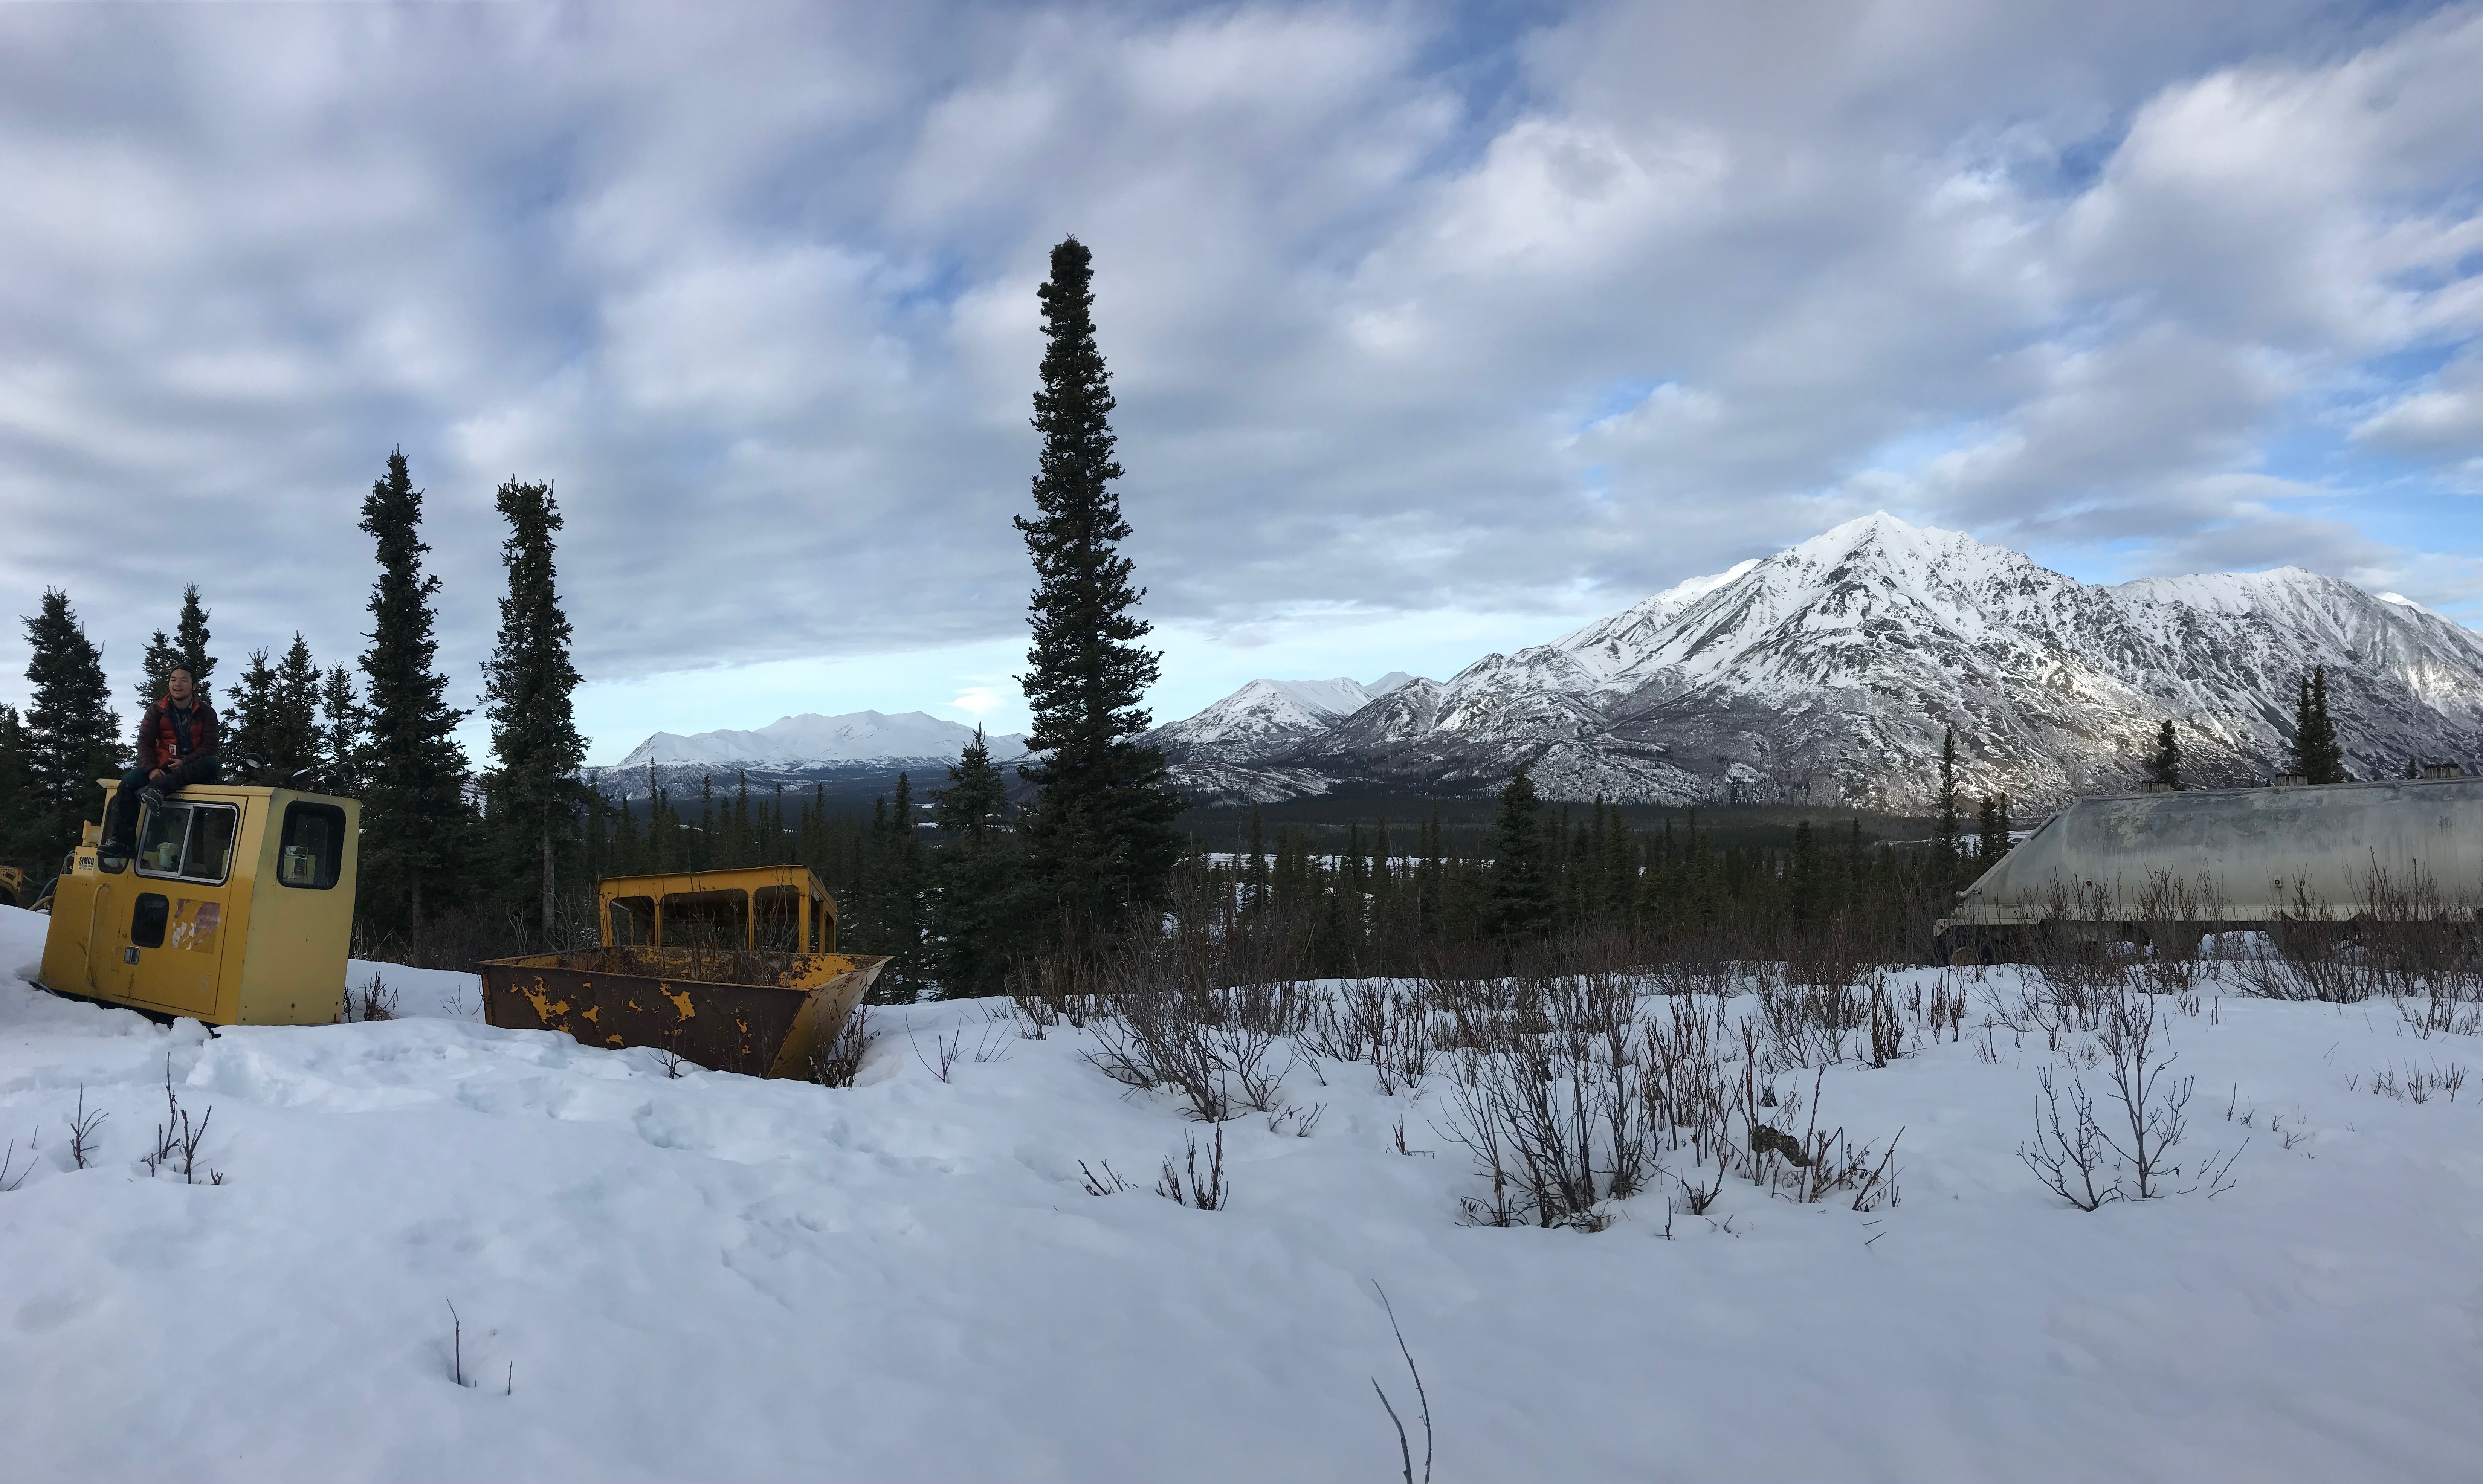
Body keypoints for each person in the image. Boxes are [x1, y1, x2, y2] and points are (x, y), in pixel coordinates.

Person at [101, 666, 219, 863]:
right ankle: (123, 842)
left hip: (192, 766)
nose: (177, 684)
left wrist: (185, 761)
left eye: (183, 680)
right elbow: (144, 743)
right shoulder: (157, 711)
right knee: (128, 785)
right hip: (161, 765)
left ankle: (159, 790)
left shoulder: (206, 713)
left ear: (194, 686)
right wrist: (152, 769)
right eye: (173, 680)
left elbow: (210, 747)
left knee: (211, 763)